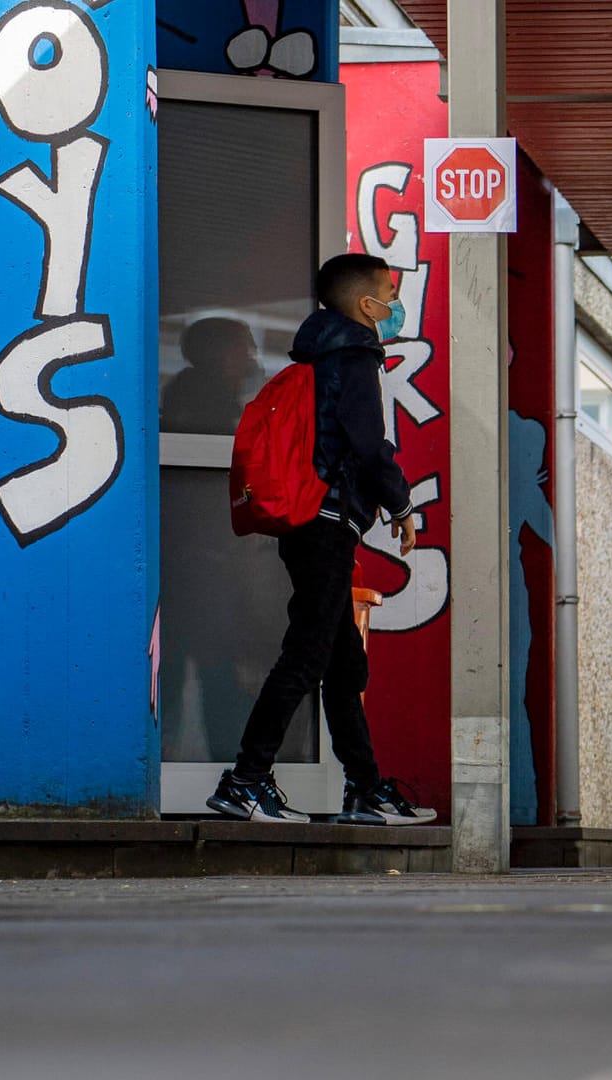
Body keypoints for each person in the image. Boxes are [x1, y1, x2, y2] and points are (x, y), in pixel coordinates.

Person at [207, 253, 436, 827]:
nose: (395, 304)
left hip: (311, 522)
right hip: (327, 522)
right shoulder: (354, 356)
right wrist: (403, 504)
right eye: (390, 292)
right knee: (308, 655)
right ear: (368, 305)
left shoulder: (320, 356)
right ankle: (247, 781)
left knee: (343, 664)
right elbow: (367, 443)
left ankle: (365, 789)